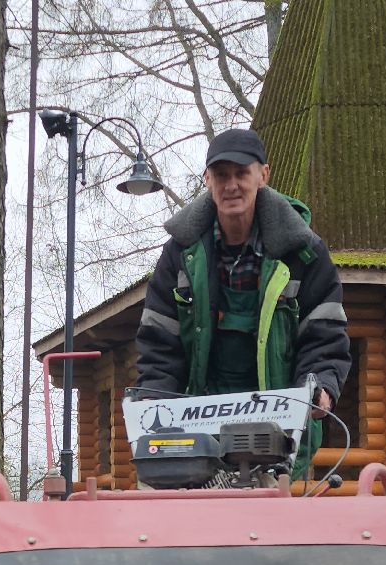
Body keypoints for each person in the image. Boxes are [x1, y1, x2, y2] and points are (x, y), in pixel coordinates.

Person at [132, 129, 352, 475]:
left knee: (273, 522)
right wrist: (152, 395)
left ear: (263, 175)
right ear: (207, 179)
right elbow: (160, 341)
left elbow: (323, 334)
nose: (231, 185)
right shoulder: (180, 254)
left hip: (280, 426)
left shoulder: (303, 252)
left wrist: (320, 386)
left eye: (241, 173)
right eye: (221, 175)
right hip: (198, 423)